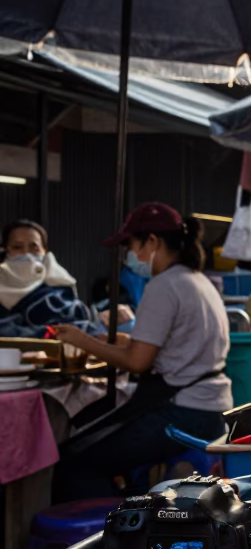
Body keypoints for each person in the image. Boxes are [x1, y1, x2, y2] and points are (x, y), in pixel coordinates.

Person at [54, 203, 233, 501]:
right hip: (210, 408)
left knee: (74, 461)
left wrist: (82, 340)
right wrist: (113, 339)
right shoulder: (198, 280)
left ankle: (110, 536)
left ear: (152, 241)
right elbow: (167, 344)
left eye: (132, 246)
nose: (131, 256)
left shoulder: (164, 285)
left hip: (183, 412)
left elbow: (137, 362)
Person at [0, 219, 101, 338]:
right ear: (5, 250)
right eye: (17, 247)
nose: (26, 253)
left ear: (45, 251)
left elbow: (82, 330)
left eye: (34, 247)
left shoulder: (59, 290)